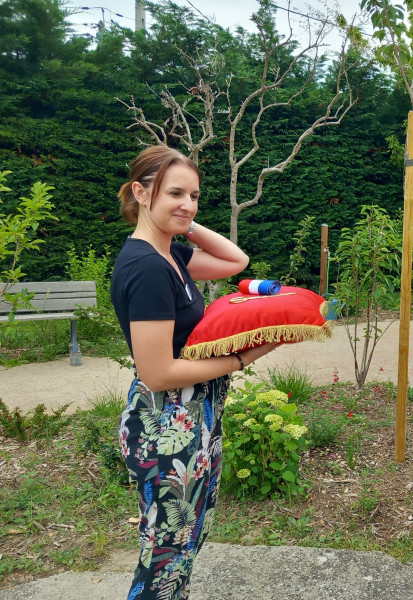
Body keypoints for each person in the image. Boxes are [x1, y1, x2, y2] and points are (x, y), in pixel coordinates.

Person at [111, 146, 277, 600]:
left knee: (182, 548)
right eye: (175, 193)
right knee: (164, 561)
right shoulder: (147, 268)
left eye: (195, 195)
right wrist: (245, 358)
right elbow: (159, 372)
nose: (188, 203)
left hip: (193, 419)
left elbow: (234, 262)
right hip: (166, 425)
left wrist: (181, 217)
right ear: (141, 193)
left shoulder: (169, 256)